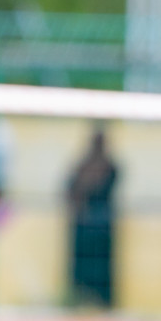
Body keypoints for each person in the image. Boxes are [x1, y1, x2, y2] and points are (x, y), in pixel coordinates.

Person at [65, 125, 118, 308]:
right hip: (83, 228)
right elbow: (70, 192)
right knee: (81, 269)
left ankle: (102, 303)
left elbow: (102, 189)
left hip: (101, 229)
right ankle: (79, 300)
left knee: (101, 271)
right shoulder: (81, 166)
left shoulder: (111, 167)